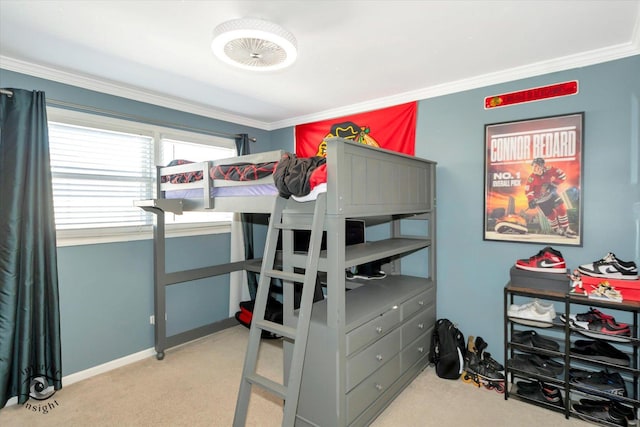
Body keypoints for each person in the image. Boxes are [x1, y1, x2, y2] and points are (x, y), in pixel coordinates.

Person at [525, 158, 577, 237]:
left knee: (562, 209)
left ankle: (566, 229)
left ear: (542, 167)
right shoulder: (531, 178)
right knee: (551, 215)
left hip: (552, 195)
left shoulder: (550, 169)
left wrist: (554, 184)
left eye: (537, 166)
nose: (535, 169)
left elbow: (562, 175)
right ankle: (556, 229)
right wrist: (531, 200)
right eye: (533, 167)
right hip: (541, 201)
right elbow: (528, 191)